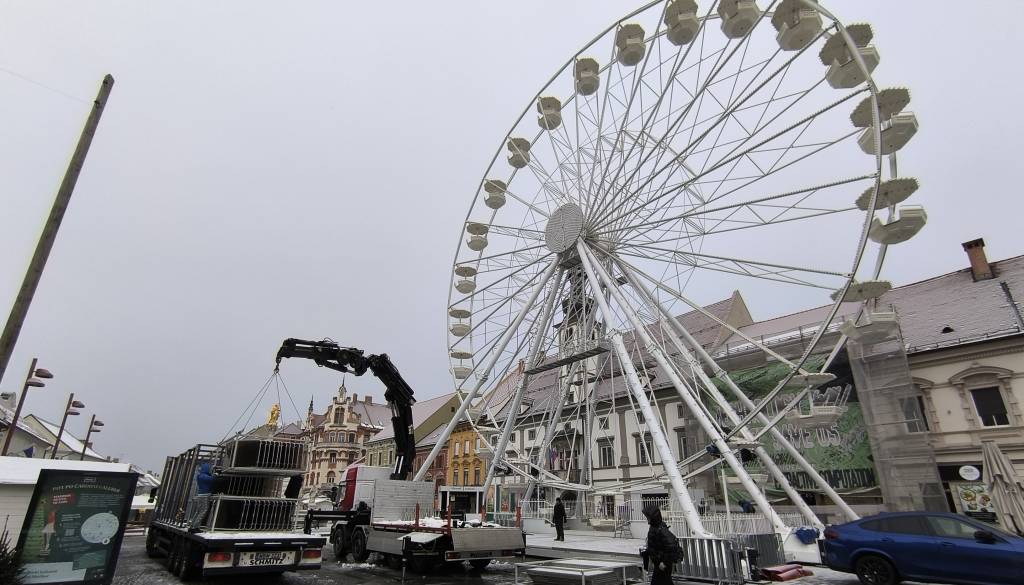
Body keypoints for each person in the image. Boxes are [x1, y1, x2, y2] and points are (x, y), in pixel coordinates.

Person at [642, 506, 681, 585]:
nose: (647, 519)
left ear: (653, 517)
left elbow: (672, 545)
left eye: (648, 517)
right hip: (659, 564)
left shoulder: (661, 529)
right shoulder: (654, 527)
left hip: (662, 565)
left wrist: (665, 562)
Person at [189, 463, 216, 533]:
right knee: (203, 510)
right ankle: (195, 527)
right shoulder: (204, 476)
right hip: (205, 495)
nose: (210, 470)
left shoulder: (200, 476)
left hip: (200, 495)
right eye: (210, 469)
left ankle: (192, 526)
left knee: (198, 511)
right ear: (207, 469)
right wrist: (216, 474)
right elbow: (212, 480)